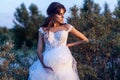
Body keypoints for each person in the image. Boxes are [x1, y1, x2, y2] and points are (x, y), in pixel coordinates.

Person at [28, 2, 89, 80]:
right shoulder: (43, 29)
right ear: (53, 14)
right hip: (47, 64)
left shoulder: (67, 27)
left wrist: (69, 45)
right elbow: (39, 51)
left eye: (63, 14)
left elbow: (85, 40)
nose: (63, 16)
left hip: (63, 63)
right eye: (60, 14)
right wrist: (44, 66)